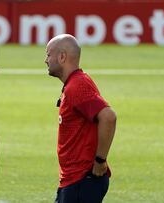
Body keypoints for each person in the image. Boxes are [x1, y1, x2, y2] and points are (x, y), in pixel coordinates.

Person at [45, 34, 117, 203]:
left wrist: (100, 160)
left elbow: (108, 117)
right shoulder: (75, 83)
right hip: (76, 180)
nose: (45, 60)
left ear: (62, 56)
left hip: (82, 180)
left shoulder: (77, 86)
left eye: (48, 54)